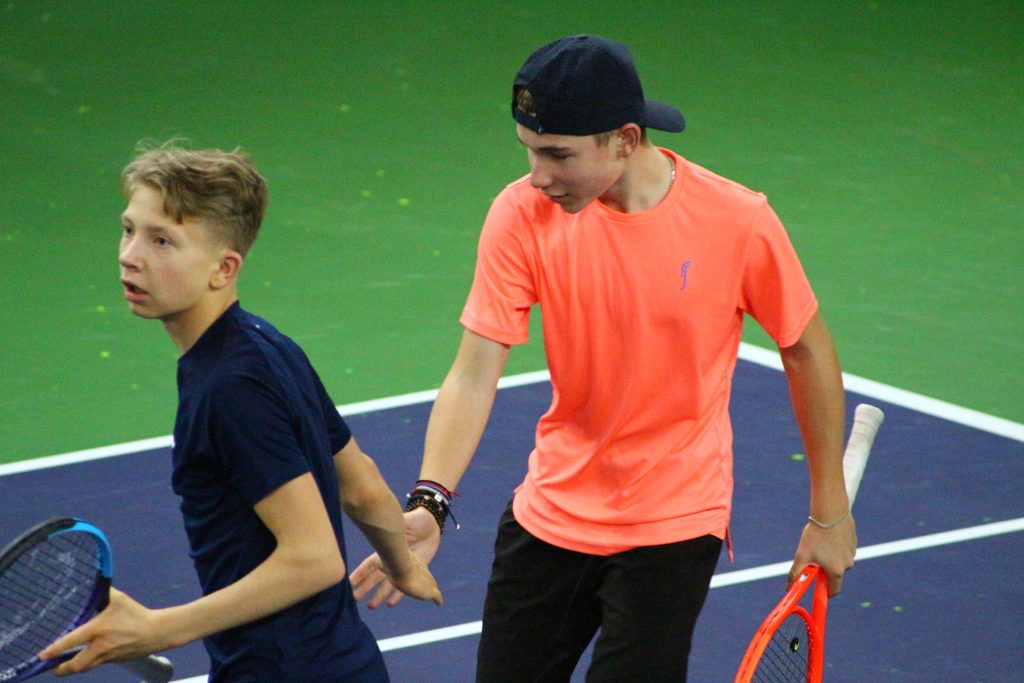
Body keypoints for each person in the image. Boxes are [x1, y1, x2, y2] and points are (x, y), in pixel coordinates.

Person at [352, 34, 854, 681]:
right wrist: (430, 501)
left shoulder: (736, 219)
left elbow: (805, 347)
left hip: (674, 522)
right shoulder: (522, 214)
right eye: (529, 149)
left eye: (558, 154)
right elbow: (474, 371)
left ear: (624, 139)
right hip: (552, 511)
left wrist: (829, 513)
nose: (538, 175)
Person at [40, 144, 442, 682]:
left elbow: (315, 558)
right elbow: (361, 485)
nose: (130, 255)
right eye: (128, 229)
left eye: (161, 240)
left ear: (223, 268)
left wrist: (162, 628)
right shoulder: (267, 344)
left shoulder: (227, 389)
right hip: (344, 663)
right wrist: (402, 565)